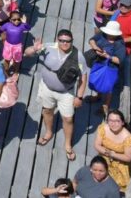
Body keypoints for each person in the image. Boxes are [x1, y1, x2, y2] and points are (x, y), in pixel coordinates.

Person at [25, 30, 88, 161]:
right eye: (62, 40)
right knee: (47, 111)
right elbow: (27, 53)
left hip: (67, 92)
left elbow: (83, 77)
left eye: (68, 41)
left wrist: (79, 96)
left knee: (68, 119)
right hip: (47, 88)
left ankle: (68, 144)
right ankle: (48, 132)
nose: (64, 43)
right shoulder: (48, 47)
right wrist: (34, 48)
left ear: (72, 41)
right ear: (57, 40)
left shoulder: (79, 56)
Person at [87, 20, 127, 115]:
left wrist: (107, 56)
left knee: (109, 87)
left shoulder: (119, 44)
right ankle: (98, 96)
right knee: (98, 80)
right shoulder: (103, 34)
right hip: (99, 63)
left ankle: (105, 105)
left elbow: (119, 60)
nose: (108, 34)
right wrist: (95, 48)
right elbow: (92, 40)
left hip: (111, 67)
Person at [93, 109, 131, 191]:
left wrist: (113, 155)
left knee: (115, 188)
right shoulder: (103, 128)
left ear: (122, 122)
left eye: (117, 121)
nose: (113, 124)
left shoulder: (128, 138)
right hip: (104, 157)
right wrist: (108, 153)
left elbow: (128, 157)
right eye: (110, 120)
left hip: (120, 163)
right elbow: (97, 145)